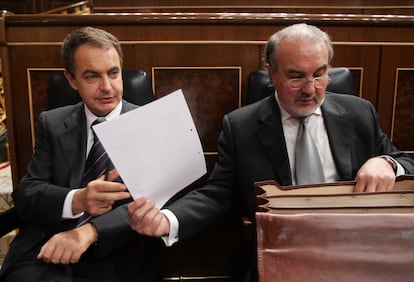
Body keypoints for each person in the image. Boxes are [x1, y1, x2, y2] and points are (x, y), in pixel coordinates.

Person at [127, 23, 414, 282]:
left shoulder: (358, 113)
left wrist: (387, 162)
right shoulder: (241, 126)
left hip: (353, 250)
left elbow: (406, 162)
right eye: (296, 77)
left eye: (320, 74)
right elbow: (217, 194)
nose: (311, 89)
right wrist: (169, 220)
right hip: (279, 251)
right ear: (271, 72)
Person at [0, 27, 162, 282]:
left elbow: (157, 202)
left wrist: (89, 231)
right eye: (91, 77)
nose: (106, 87)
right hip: (46, 246)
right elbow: (27, 193)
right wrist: (77, 200)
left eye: (113, 73)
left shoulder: (148, 124)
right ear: (72, 80)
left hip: (113, 251)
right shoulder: (53, 123)